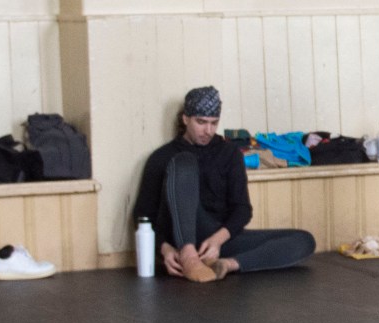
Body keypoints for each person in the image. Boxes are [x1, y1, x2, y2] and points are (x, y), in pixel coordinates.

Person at [133, 86, 316, 282]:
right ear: (185, 119)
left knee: (304, 240)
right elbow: (143, 215)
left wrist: (217, 241)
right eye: (201, 122)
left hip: (216, 239)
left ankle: (227, 265)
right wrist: (165, 249)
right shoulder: (162, 157)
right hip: (179, 237)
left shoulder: (229, 153)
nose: (208, 131)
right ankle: (189, 257)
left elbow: (242, 209)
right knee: (183, 162)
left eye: (214, 123)